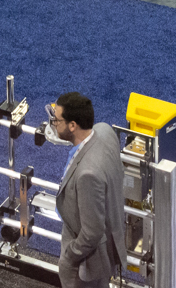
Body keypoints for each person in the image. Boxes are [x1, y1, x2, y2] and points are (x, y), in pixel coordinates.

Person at [48, 92, 125, 288]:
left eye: (56, 120)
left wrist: (71, 255)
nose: (53, 123)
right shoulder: (104, 131)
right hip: (109, 236)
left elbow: (92, 232)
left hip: (85, 263)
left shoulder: (87, 175)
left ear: (72, 125)